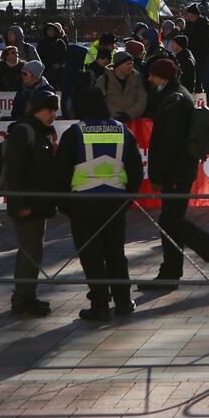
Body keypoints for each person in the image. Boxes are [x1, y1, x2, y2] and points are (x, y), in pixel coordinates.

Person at [138, 58, 209, 290]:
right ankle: (172, 272)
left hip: (175, 172)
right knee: (171, 222)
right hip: (179, 170)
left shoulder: (175, 100)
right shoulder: (176, 96)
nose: (150, 79)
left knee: (172, 222)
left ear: (163, 77)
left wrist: (158, 177)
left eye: (153, 75)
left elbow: (168, 144)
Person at [54, 87, 145, 321]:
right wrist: (128, 199)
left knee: (91, 256)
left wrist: (65, 204)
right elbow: (135, 171)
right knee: (116, 252)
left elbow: (61, 173)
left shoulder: (74, 133)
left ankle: (100, 304)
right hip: (115, 202)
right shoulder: (123, 131)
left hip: (82, 203)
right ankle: (124, 301)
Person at [2, 89, 61, 316]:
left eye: (55, 110)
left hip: (38, 201)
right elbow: (14, 171)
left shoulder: (41, 131)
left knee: (33, 250)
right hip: (28, 204)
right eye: (49, 110)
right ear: (37, 110)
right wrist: (19, 204)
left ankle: (28, 296)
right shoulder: (23, 131)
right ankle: (23, 299)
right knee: (29, 251)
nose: (53, 114)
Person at [98, 51, 148, 122]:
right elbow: (100, 100)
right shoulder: (103, 80)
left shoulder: (137, 79)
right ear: (118, 65)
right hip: (111, 122)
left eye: (132, 63)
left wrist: (129, 114)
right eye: (128, 64)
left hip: (132, 122)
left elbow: (142, 99)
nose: (131, 66)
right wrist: (116, 115)